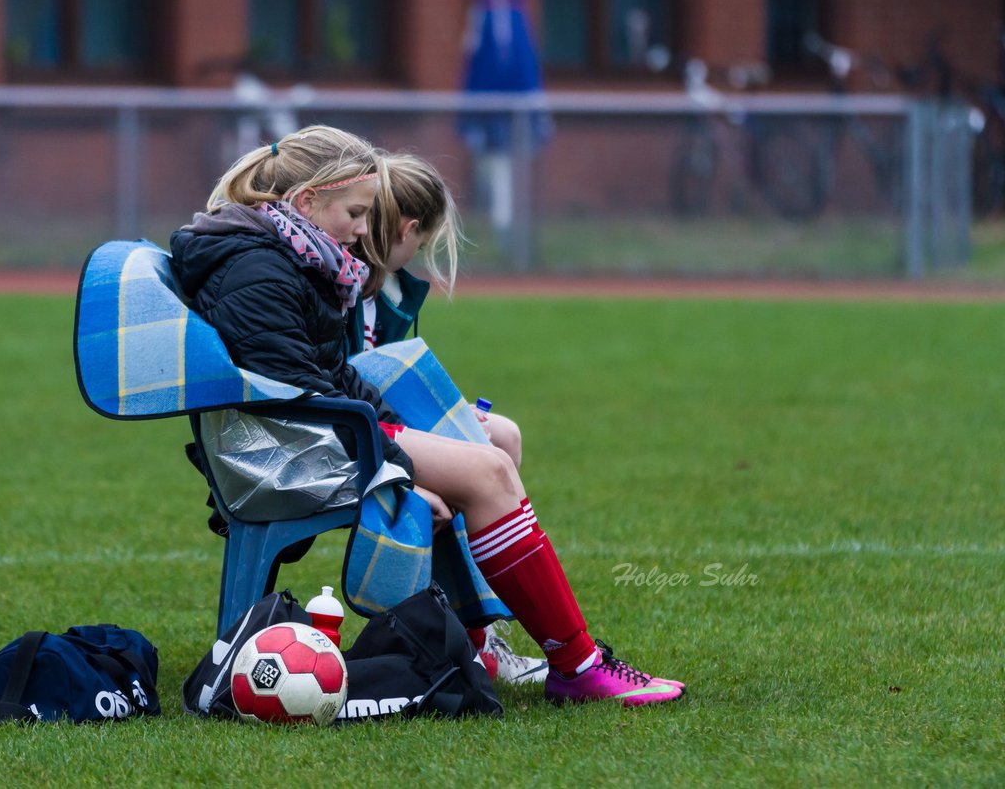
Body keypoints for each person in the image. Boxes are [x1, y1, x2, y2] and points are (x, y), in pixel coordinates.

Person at [171, 125, 683, 706]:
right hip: (283, 455)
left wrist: (402, 439)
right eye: (357, 213)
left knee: (487, 447)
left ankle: (481, 642)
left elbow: (328, 381)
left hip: (309, 433)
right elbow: (302, 398)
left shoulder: (280, 255)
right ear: (307, 202)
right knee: (488, 473)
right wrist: (396, 472)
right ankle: (578, 666)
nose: (365, 230)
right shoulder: (257, 268)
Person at [349, 152, 542, 684]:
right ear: (409, 229)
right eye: (424, 243)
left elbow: (388, 382)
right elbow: (342, 393)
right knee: (482, 461)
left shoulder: (387, 292)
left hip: (374, 429)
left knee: (501, 433)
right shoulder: (337, 280)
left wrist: (453, 418)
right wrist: (407, 470)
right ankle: (472, 636)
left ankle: (477, 634)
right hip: (345, 441)